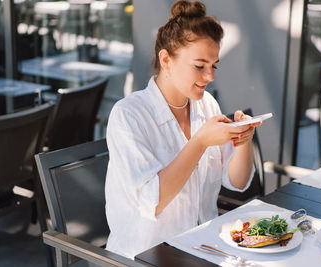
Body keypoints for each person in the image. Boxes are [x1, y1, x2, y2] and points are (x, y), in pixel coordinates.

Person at [105, 0, 261, 259]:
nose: (210, 77)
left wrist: (243, 141)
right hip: (144, 256)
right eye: (200, 66)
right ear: (165, 59)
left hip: (202, 247)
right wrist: (199, 143)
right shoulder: (129, 115)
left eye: (214, 66)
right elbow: (152, 203)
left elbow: (238, 182)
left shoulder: (207, 105)